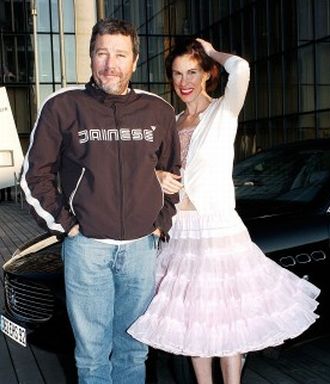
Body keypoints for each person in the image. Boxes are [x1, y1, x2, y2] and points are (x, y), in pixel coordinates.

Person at [128, 38, 320, 384]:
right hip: (181, 231)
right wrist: (158, 177)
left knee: (226, 321)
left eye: (192, 72)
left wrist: (212, 51)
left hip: (217, 229)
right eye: (176, 74)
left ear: (206, 75)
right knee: (195, 322)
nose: (184, 82)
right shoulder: (171, 122)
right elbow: (156, 172)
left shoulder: (223, 111)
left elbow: (241, 68)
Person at [20, 18, 180, 384]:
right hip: (87, 250)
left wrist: (161, 222)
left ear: (135, 61)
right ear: (91, 57)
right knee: (92, 357)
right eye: (102, 53)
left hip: (141, 249)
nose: (110, 63)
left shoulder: (158, 111)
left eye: (120, 54)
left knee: (133, 350)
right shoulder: (63, 106)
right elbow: (35, 176)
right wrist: (68, 224)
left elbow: (173, 174)